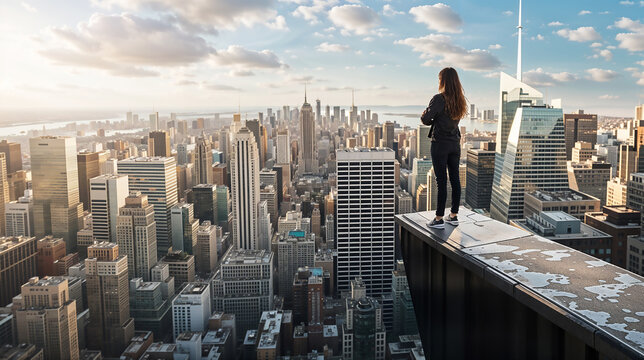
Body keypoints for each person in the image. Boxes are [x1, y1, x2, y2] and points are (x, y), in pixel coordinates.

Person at [420, 67, 468, 229]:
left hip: (440, 144)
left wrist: (425, 113)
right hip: (455, 144)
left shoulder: (439, 98)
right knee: (455, 179)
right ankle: (453, 215)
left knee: (441, 181)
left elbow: (426, 120)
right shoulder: (460, 100)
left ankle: (439, 218)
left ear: (443, 81)